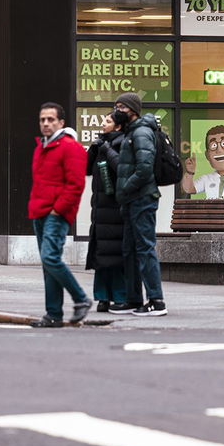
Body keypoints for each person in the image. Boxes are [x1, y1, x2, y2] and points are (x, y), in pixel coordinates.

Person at [28, 102, 92, 328]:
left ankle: (81, 298)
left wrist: (58, 210)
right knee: (48, 264)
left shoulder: (70, 147)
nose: (45, 123)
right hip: (39, 212)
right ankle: (53, 314)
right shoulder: (41, 148)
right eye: (42, 119)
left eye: (50, 120)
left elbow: (75, 185)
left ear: (61, 123)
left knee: (50, 258)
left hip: (57, 213)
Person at [114, 92, 167, 316]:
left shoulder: (142, 132)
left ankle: (156, 301)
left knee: (145, 249)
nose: (117, 111)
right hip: (132, 200)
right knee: (130, 251)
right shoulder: (131, 132)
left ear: (133, 110)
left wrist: (126, 187)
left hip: (142, 199)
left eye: (121, 107)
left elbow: (144, 168)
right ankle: (134, 299)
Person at [86, 110, 131, 312]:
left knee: (116, 256)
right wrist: (94, 150)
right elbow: (86, 169)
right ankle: (102, 297)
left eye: (107, 121)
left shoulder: (123, 143)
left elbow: (122, 168)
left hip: (116, 209)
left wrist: (106, 148)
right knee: (101, 257)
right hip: (100, 210)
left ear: (118, 126)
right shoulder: (100, 144)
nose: (103, 123)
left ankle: (120, 296)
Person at [181, 124, 224, 199]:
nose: (219, 150)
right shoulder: (207, 179)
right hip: (212, 210)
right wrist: (190, 172)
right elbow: (188, 189)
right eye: (213, 146)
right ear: (207, 155)